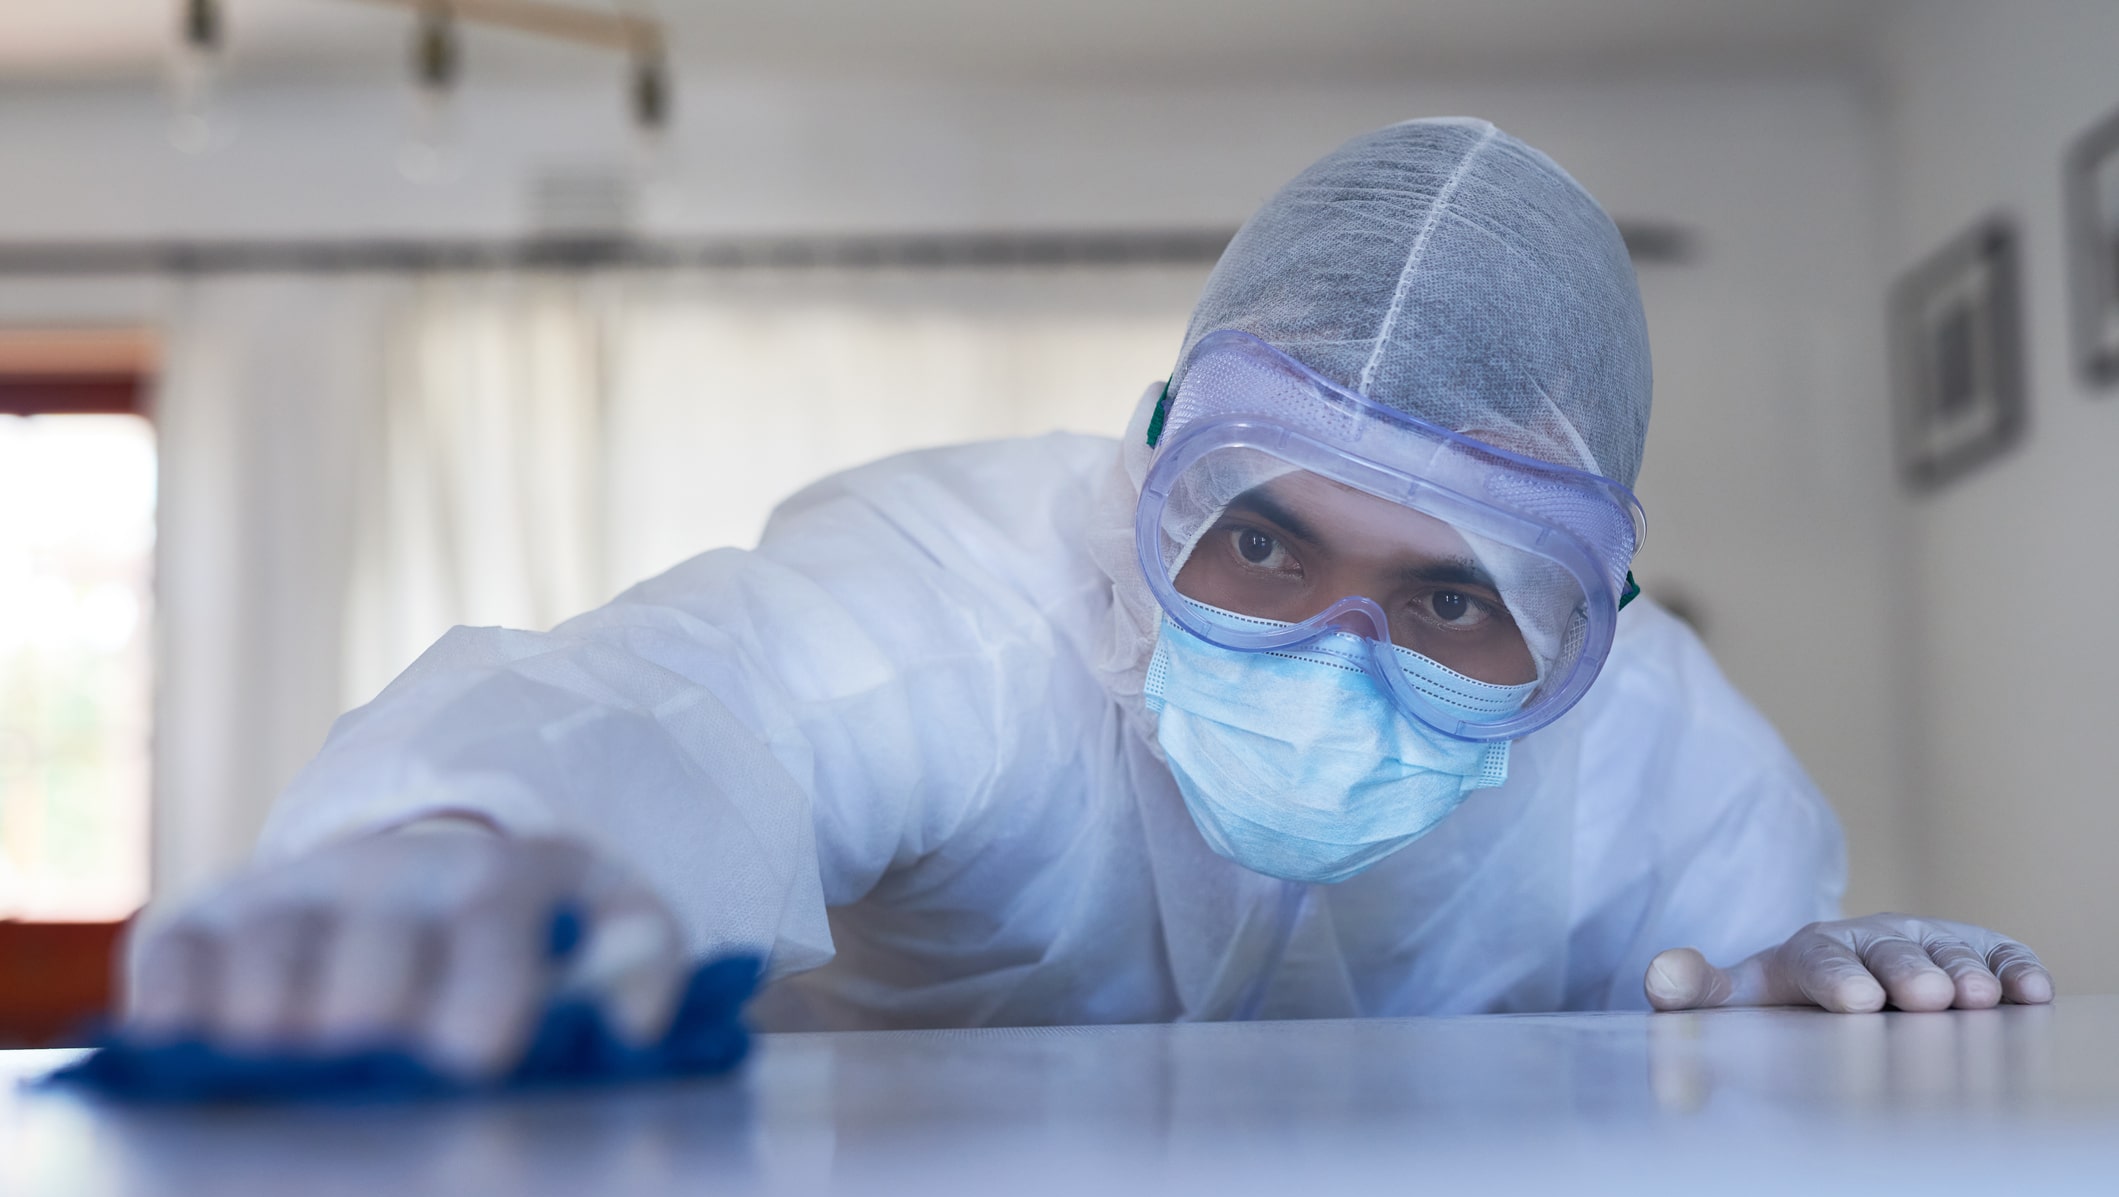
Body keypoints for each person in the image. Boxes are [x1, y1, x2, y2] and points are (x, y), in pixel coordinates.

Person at [122, 118, 2051, 1079]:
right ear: (1152, 481)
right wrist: (481, 840)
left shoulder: (1669, 759)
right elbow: (710, 704)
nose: (1335, 656)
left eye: (1456, 596)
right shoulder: (972, 601)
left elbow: (1747, 1040)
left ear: (1588, 627)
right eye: (1267, 541)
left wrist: (1814, 999)